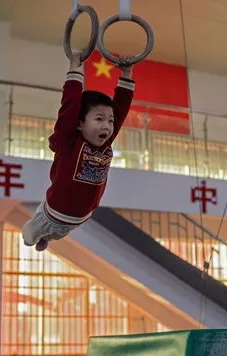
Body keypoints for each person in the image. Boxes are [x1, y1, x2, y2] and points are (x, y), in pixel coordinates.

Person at [21, 52, 136, 251]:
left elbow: (120, 110)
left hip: (80, 219)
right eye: (99, 119)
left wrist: (126, 74)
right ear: (80, 123)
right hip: (52, 213)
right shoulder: (69, 140)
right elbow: (69, 105)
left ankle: (46, 238)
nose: (107, 126)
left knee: (57, 234)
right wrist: (75, 68)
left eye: (109, 121)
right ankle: (36, 239)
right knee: (30, 235)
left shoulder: (104, 144)